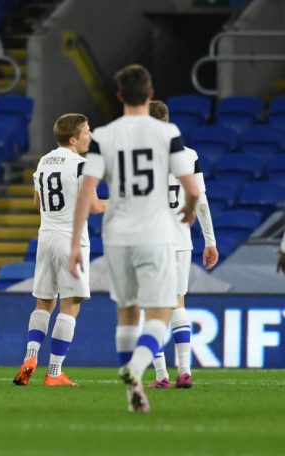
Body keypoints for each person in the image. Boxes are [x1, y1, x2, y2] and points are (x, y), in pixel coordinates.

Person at [69, 64, 199, 413]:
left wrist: (74, 245)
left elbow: (86, 193)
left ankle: (133, 391)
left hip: (117, 236)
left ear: (120, 97)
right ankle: (137, 367)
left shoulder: (105, 136)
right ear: (151, 94)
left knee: (127, 314)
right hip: (156, 234)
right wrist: (189, 207)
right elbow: (191, 188)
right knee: (160, 314)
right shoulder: (168, 132)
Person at [13, 113, 106, 387]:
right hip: (71, 239)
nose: (90, 136)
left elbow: (36, 201)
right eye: (87, 132)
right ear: (73, 139)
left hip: (45, 237)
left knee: (43, 302)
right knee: (70, 305)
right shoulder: (81, 166)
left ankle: (30, 356)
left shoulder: (43, 162)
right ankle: (54, 372)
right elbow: (96, 207)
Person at [148, 100, 219, 389]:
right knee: (178, 303)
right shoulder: (189, 155)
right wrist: (210, 241)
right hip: (179, 240)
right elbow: (200, 200)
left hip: (148, 241)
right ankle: (185, 370)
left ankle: (161, 375)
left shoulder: (136, 156)